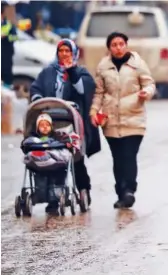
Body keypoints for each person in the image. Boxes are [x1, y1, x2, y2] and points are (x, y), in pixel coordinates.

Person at [29, 38, 100, 213]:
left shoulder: (81, 72)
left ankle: (83, 188)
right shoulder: (48, 71)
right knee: (50, 158)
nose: (64, 54)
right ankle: (52, 197)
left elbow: (84, 90)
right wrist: (37, 98)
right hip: (50, 122)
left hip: (71, 123)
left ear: (74, 53)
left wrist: (72, 72)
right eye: (61, 51)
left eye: (68, 51)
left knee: (76, 159)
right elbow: (36, 88)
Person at [90, 32, 156, 209]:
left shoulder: (137, 64)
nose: (118, 48)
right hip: (111, 120)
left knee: (129, 155)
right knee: (117, 158)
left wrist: (146, 93)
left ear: (126, 45)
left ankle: (129, 191)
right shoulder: (103, 67)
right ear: (109, 48)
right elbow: (98, 93)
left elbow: (150, 84)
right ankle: (121, 192)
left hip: (134, 118)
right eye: (114, 45)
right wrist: (94, 112)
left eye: (121, 44)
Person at [1, 2, 18, 87]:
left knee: (6, 75)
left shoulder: (9, 25)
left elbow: (14, 38)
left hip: (6, 55)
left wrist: (7, 36)